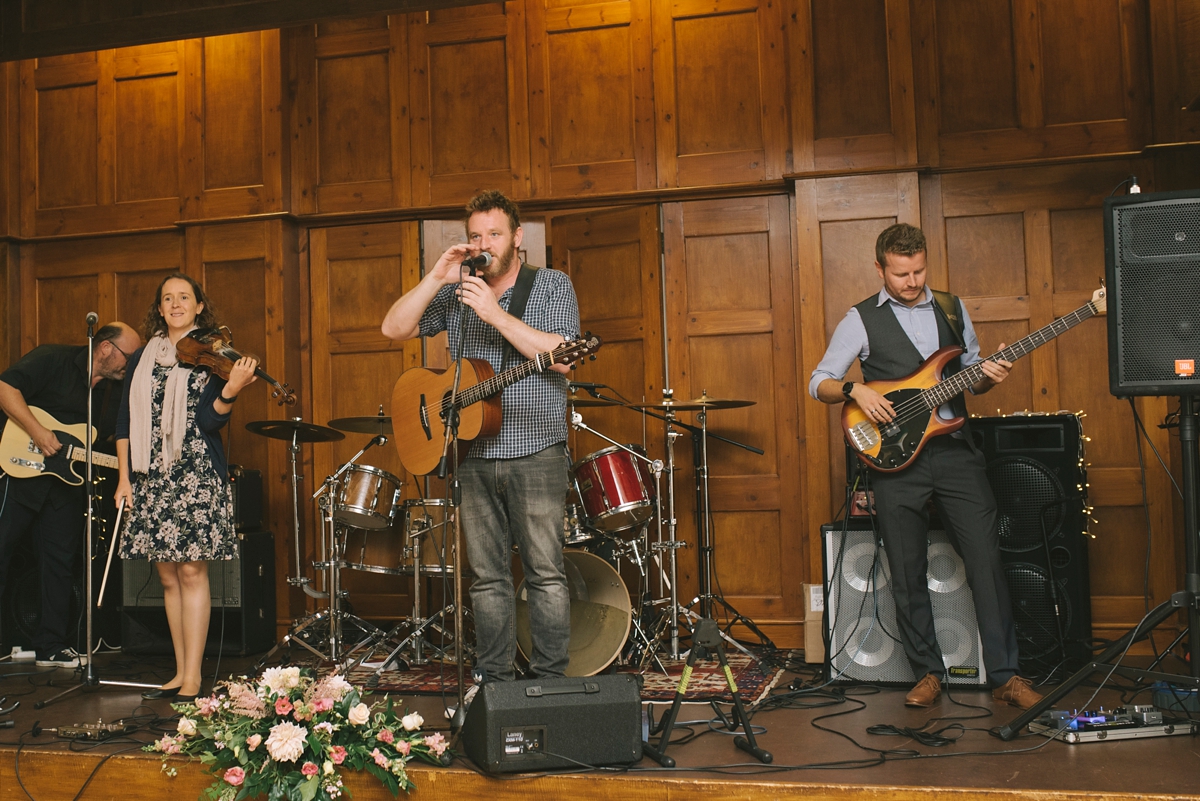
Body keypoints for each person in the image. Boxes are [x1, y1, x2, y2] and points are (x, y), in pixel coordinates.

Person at [810, 223, 1043, 710]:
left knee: (986, 562)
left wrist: (990, 377)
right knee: (906, 568)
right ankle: (928, 673)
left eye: (918, 271)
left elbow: (971, 376)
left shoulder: (951, 308)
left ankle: (1005, 675)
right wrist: (856, 390)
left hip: (956, 452)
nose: (911, 281)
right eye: (900, 274)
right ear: (880, 269)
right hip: (895, 461)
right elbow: (820, 382)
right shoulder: (859, 318)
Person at [381, 190, 579, 682]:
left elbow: (565, 356)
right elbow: (393, 328)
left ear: (516, 237)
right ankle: (495, 684)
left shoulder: (551, 285)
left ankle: (551, 683)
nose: (484, 242)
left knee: (545, 574)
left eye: (493, 233)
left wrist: (495, 314)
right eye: (475, 235)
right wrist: (436, 278)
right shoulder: (457, 291)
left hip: (535, 449)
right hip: (472, 450)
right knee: (486, 579)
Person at [115, 274, 257, 702]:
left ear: (199, 307)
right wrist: (124, 478)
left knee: (192, 571)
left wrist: (230, 391)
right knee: (167, 575)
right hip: (150, 474)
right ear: (159, 309)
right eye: (167, 298)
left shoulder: (211, 353)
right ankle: (179, 671)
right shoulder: (143, 357)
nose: (176, 304)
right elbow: (124, 421)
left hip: (195, 470)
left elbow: (209, 421)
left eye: (184, 298)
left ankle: (194, 675)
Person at [0, 321, 142, 667]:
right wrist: (38, 432)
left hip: (67, 484)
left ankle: (51, 645)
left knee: (59, 562)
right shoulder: (52, 358)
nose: (130, 363)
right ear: (106, 348)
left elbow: (110, 438)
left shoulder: (112, 393)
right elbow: (5, 389)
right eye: (128, 355)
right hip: (20, 474)